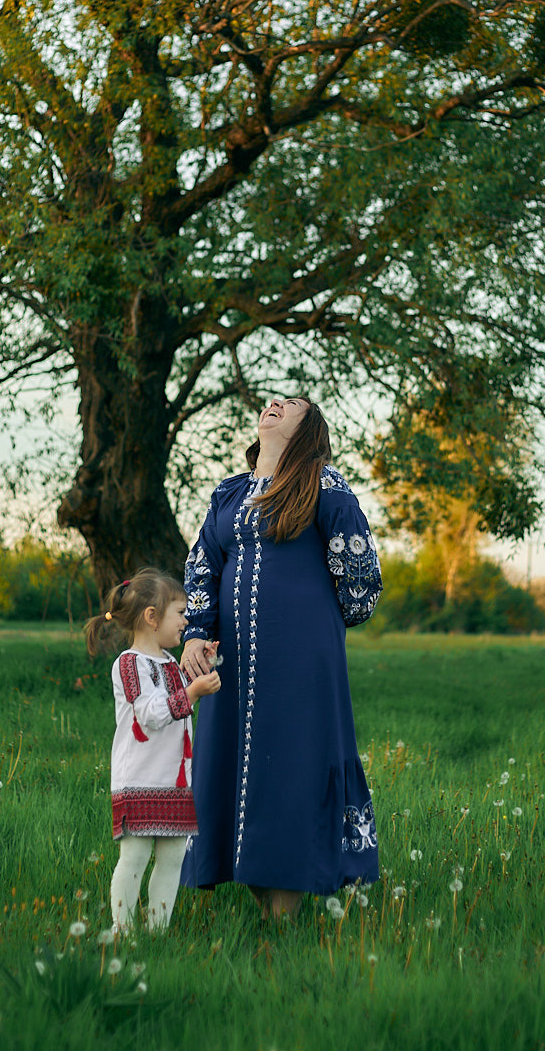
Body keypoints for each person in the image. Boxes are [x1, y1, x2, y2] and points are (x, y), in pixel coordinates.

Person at [179, 398, 382, 918]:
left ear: (307, 429)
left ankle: (284, 915)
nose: (274, 404)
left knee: (291, 765)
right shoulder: (229, 492)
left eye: (290, 405)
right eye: (271, 401)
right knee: (233, 763)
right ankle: (257, 887)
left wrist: (315, 621)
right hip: (233, 663)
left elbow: (360, 572)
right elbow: (202, 564)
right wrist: (196, 634)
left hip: (301, 658)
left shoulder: (324, 484)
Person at [86, 570, 221, 933]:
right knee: (135, 856)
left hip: (175, 780)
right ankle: (123, 931)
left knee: (173, 856)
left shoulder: (169, 664)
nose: (186, 621)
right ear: (152, 616)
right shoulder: (129, 664)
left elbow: (175, 703)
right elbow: (150, 715)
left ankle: (157, 932)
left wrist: (200, 672)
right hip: (140, 778)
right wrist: (193, 693)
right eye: (179, 612)